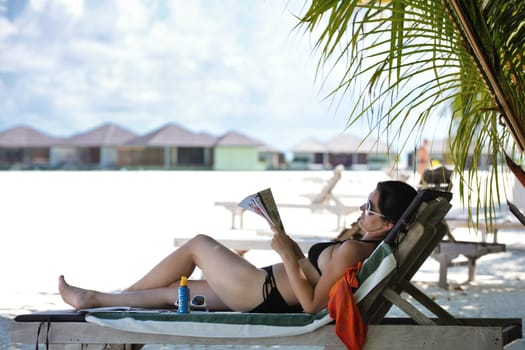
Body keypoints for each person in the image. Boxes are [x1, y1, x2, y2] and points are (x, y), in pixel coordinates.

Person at [59, 180, 417, 314]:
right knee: (172, 292)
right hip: (260, 286)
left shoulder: (355, 252)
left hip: (260, 293)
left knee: (198, 245)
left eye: (370, 208)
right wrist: (291, 249)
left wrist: (285, 254)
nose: (361, 210)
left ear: (387, 224)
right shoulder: (365, 247)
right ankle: (95, 301)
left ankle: (116, 302)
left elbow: (311, 306)